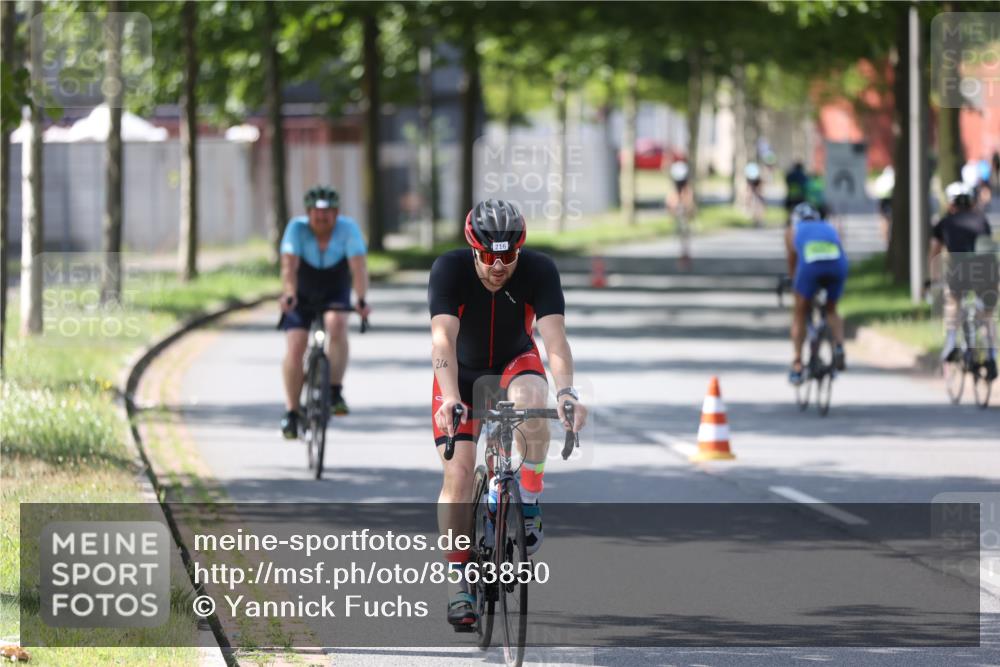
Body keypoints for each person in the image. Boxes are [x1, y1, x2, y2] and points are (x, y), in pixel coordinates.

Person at [428, 199, 588, 627]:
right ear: (473, 249)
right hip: (461, 376)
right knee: (458, 474)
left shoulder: (539, 270)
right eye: (488, 257)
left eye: (508, 256)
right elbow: (442, 341)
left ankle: (529, 495)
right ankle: (458, 581)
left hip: (515, 362)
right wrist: (449, 397)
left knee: (534, 399)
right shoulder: (449, 269)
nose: (498, 267)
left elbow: (555, 340)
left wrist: (567, 392)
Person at [278, 186, 372, 438]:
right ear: (308, 212)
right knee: (296, 345)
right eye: (317, 212)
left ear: (336, 213)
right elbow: (288, 266)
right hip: (302, 289)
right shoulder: (296, 229)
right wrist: (289, 294)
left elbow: (358, 267)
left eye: (328, 212)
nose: (322, 217)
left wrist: (361, 299)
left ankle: (334, 390)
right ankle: (292, 411)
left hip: (334, 287)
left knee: (337, 323)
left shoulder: (348, 229)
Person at [928, 182, 997, 379]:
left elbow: (935, 252)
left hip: (961, 270)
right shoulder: (982, 220)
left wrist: (932, 279)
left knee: (952, 299)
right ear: (971, 202)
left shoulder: (944, 223)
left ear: (950, 204)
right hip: (988, 270)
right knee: (987, 315)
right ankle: (991, 355)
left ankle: (951, 342)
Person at [784, 203, 849, 384]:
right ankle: (839, 346)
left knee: (799, 312)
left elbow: (792, 261)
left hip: (811, 266)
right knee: (831, 309)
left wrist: (794, 284)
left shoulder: (792, 230)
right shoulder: (828, 226)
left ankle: (797, 364)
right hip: (837, 265)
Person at [666, 158, 695, 268]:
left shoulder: (687, 190)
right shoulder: (674, 191)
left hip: (684, 213)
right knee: (681, 235)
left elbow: (690, 201)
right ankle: (682, 255)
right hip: (678, 211)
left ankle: (684, 255)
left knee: (684, 235)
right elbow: (670, 200)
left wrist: (689, 210)